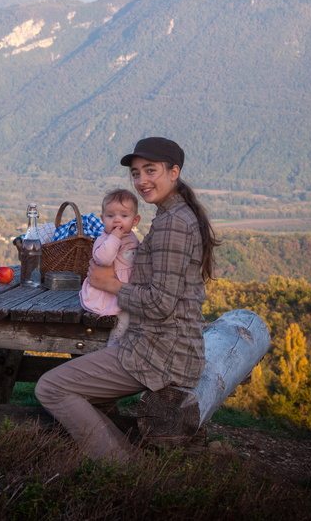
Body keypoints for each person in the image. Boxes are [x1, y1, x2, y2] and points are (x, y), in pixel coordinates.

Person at [35, 136, 219, 462]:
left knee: (51, 387)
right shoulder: (172, 214)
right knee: (86, 375)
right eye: (136, 173)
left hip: (159, 354)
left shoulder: (173, 223)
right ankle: (126, 451)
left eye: (151, 171)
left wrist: (110, 284)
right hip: (163, 345)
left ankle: (124, 468)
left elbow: (161, 303)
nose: (142, 181)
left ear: (174, 171)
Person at [80, 189, 140, 345]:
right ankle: (113, 347)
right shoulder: (105, 239)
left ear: (135, 221)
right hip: (105, 295)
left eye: (124, 216)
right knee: (122, 321)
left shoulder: (132, 238)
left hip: (122, 291)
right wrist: (114, 238)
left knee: (130, 319)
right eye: (110, 216)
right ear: (102, 219)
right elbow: (104, 259)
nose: (117, 221)